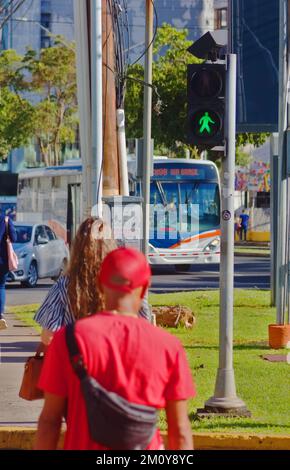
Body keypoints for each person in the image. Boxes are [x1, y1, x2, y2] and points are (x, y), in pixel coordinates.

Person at [35, 247, 195, 450]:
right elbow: (180, 432)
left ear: (100, 286)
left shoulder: (67, 340)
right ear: (145, 289)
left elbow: (50, 422)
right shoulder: (168, 347)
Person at [34, 217, 151, 345]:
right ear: (111, 243)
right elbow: (145, 323)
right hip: (120, 354)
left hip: (79, 358)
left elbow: (49, 336)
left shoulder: (64, 284)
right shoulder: (127, 284)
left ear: (78, 247)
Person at [0, 215, 16, 329]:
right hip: (2, 261)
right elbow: (14, 238)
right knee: (1, 287)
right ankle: (0, 314)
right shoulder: (5, 219)